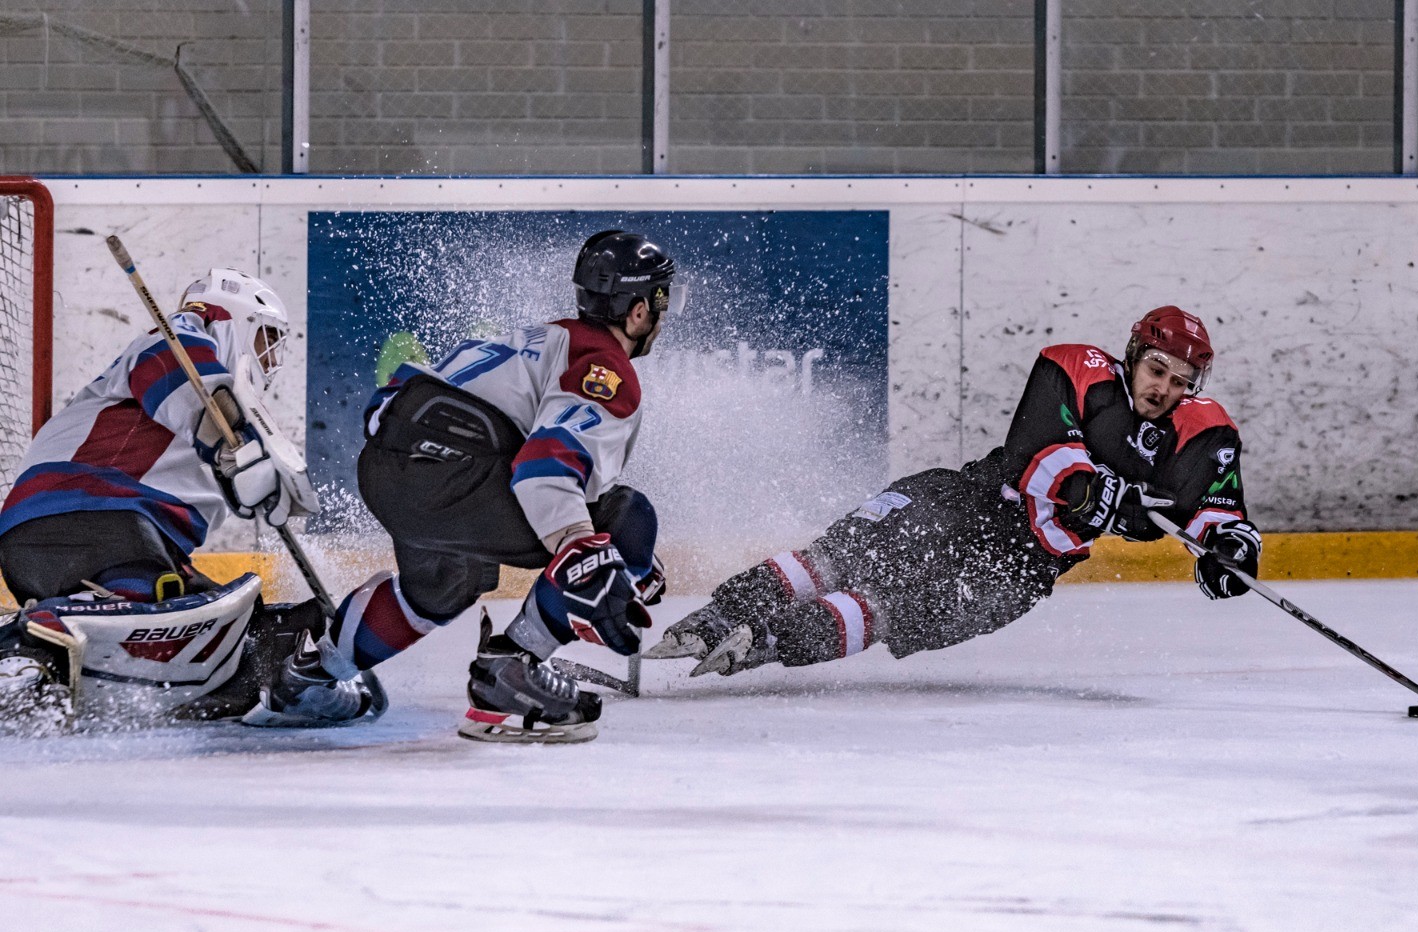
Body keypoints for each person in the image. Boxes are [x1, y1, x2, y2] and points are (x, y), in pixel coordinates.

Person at [649, 305, 1261, 676]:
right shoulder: (1078, 368)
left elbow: (1214, 511)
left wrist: (1233, 549)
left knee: (886, 612)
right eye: (1157, 370)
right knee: (840, 558)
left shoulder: (1201, 431)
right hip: (969, 504)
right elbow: (1033, 457)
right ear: (1134, 356)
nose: (1164, 388)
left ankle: (767, 643)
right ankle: (723, 613)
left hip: (1022, 572)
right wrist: (1103, 494)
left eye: (1180, 381)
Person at [251, 229, 677, 744]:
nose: (663, 314)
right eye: (660, 300)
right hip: (456, 476)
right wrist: (591, 552)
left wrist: (594, 555)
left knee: (443, 586)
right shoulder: (605, 367)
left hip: (390, 472)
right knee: (628, 518)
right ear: (637, 311)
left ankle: (305, 679)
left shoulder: (534, 339)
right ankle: (509, 674)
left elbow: (393, 403)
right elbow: (545, 467)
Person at [0, 269, 331, 731]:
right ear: (230, 321)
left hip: (110, 535)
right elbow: (173, 363)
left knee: (222, 644)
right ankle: (26, 648)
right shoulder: (178, 339)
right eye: (265, 338)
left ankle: (275, 667)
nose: (270, 358)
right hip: (84, 513)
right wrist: (228, 438)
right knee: (152, 597)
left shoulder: (234, 411)